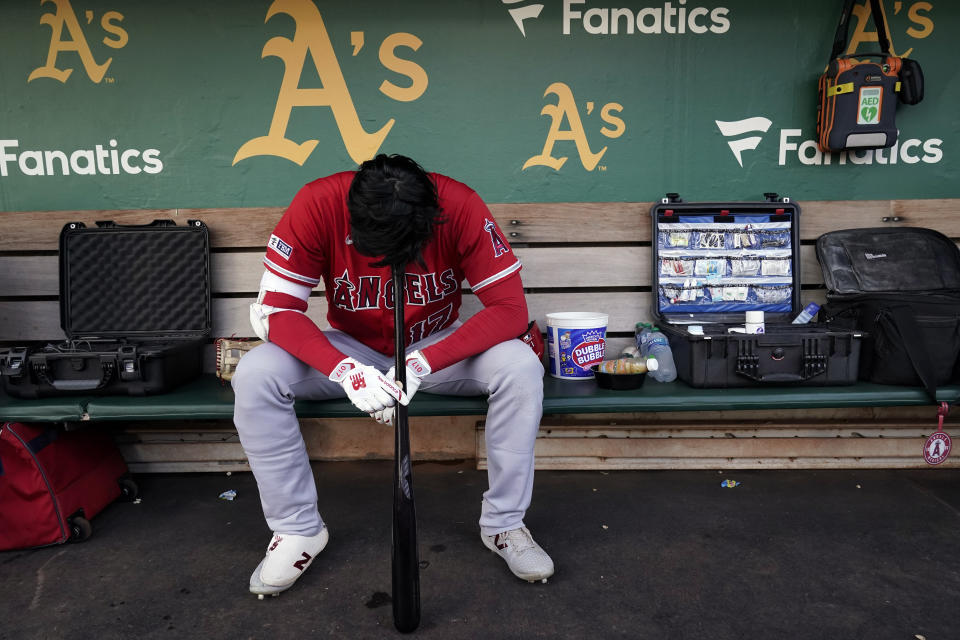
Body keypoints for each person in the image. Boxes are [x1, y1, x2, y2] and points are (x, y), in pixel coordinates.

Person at [232, 154, 554, 598]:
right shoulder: (318, 202)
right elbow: (277, 309)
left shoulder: (458, 204)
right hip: (349, 347)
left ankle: (505, 524)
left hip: (434, 345)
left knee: (521, 366)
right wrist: (343, 370)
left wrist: (423, 363)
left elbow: (510, 309)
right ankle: (298, 529)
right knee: (254, 373)